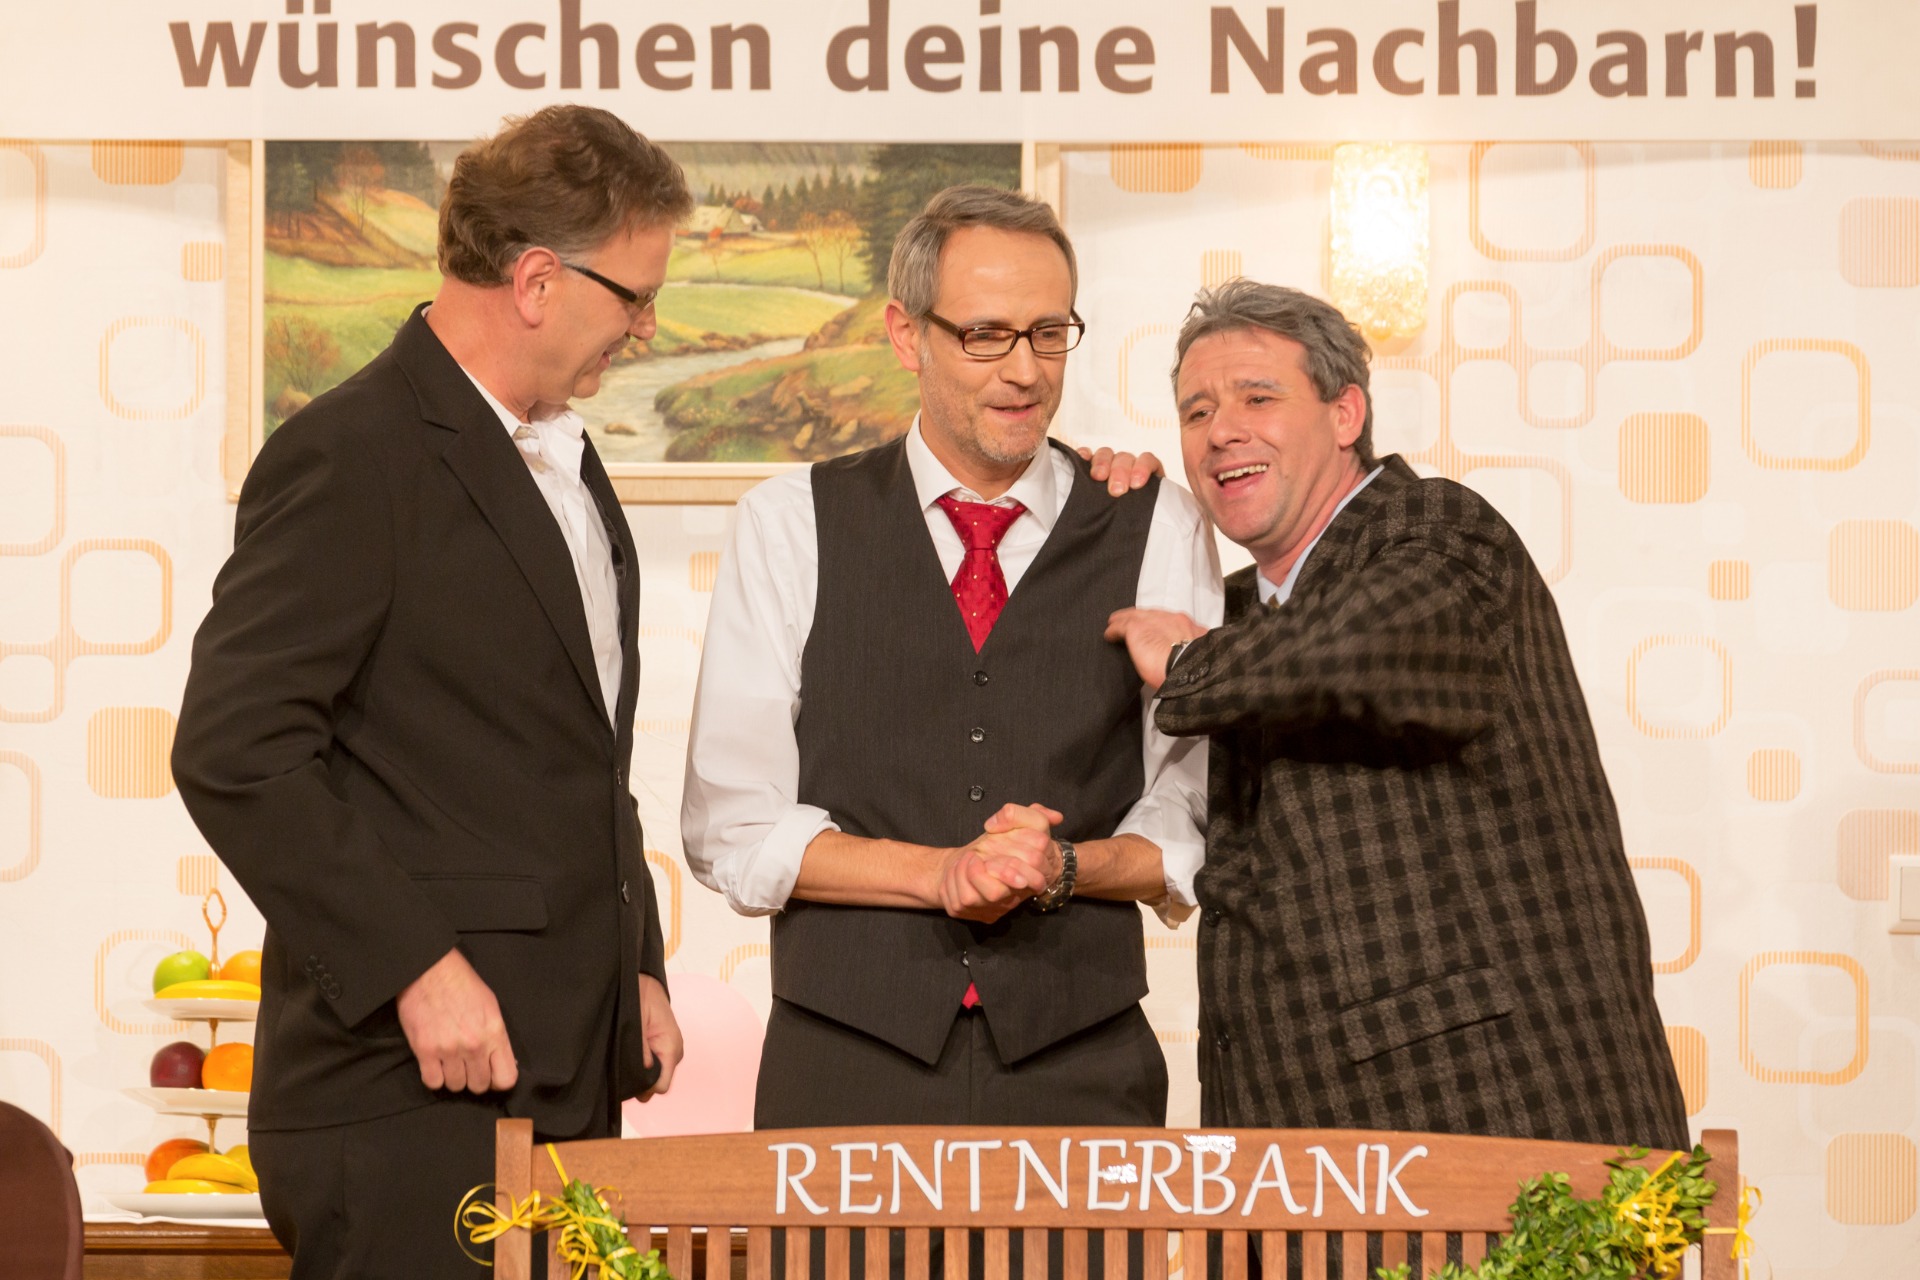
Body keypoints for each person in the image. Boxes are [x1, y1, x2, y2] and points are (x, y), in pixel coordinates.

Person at [171, 106, 692, 1280]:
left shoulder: (566, 458)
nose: (648, 328)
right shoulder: (351, 452)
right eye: (635, 297)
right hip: (405, 1094)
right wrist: (412, 964)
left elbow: (570, 755)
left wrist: (635, 968)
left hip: (561, 1082)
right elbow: (235, 749)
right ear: (539, 280)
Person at [683, 184, 1220, 1138]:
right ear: (907, 335)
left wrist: (1063, 867)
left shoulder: (1156, 522)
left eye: (1049, 333)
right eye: (985, 335)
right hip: (843, 1063)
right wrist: (941, 875)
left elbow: (1190, 816)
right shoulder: (788, 523)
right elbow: (735, 825)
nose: (1025, 371)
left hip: (1083, 1063)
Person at [1106, 279, 1690, 1152]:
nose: (1221, 431)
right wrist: (1101, 515)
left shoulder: (1442, 533)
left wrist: (1186, 660)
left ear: (1346, 413)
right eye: (1196, 412)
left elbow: (1341, 652)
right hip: (1295, 1142)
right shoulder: (1233, 613)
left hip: (1500, 1117)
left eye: (1257, 398)